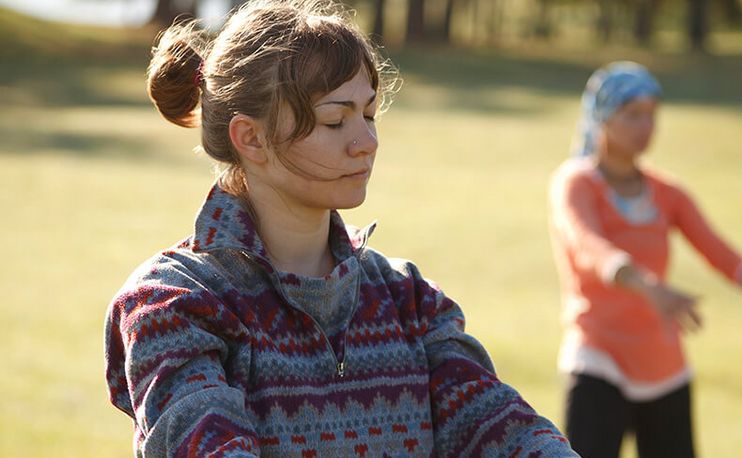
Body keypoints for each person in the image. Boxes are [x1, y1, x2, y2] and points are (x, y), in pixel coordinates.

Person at [104, 1, 578, 456]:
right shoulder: (174, 303)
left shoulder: (407, 300)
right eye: (335, 121)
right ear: (251, 138)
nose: (367, 142)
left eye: (369, 114)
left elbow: (503, 429)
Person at [548, 61, 742, 458]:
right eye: (633, 116)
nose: (646, 127)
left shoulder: (667, 191)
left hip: (664, 368)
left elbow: (717, 249)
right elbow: (587, 244)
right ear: (604, 118)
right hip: (597, 359)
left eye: (652, 116)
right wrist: (647, 285)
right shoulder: (575, 182)